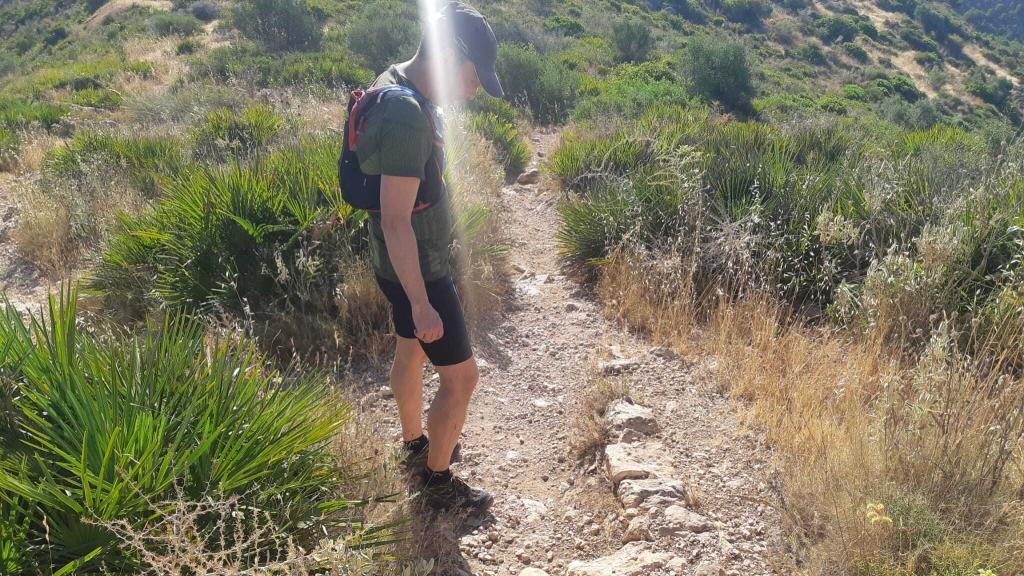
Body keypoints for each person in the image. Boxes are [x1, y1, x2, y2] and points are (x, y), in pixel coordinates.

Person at [353, 2, 503, 513]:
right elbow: (397, 220)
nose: (473, 91)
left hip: (393, 262)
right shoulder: (406, 115)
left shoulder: (393, 80)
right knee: (462, 378)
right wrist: (422, 302)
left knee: (410, 351)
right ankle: (437, 483)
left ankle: (414, 442)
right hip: (418, 268)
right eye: (473, 77)